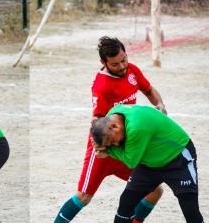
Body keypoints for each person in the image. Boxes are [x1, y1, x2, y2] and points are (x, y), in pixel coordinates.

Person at [54, 36, 167, 223]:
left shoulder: (132, 71)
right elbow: (96, 121)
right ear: (103, 62)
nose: (122, 66)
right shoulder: (101, 85)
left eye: (124, 60)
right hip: (105, 148)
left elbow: (148, 90)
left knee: (154, 189)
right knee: (83, 197)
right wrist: (99, 148)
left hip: (127, 148)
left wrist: (160, 104)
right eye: (115, 64)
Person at [90, 104, 204, 223]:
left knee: (190, 209)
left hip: (178, 159)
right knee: (126, 202)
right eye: (111, 145)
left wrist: (107, 150)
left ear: (115, 126)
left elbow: (130, 161)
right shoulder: (110, 118)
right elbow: (103, 137)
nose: (116, 145)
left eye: (112, 141)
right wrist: (100, 146)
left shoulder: (136, 128)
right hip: (149, 163)